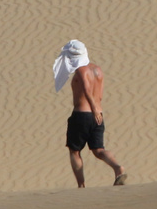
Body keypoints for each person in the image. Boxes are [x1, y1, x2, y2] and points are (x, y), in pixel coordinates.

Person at [52, 39, 128, 187]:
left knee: (74, 151)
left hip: (82, 115)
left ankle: (81, 185)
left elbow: (87, 89)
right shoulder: (98, 70)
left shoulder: (81, 70)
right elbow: (99, 95)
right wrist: (96, 110)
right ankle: (118, 168)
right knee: (98, 150)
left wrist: (91, 107)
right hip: (98, 115)